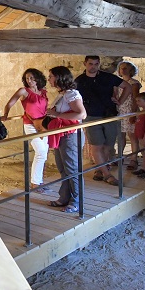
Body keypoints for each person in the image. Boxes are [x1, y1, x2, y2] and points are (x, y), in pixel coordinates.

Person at [75, 56, 131, 186]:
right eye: (90, 64)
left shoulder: (107, 77)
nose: (93, 66)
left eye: (96, 64)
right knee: (97, 145)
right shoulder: (80, 81)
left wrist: (120, 101)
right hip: (91, 116)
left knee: (108, 144)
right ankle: (107, 174)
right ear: (85, 64)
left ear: (99, 64)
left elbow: (127, 86)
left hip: (109, 114)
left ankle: (100, 169)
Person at [45, 66, 88, 213]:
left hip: (70, 135)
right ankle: (64, 197)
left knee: (72, 169)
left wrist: (56, 115)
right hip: (61, 135)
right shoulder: (63, 94)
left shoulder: (71, 94)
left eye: (51, 76)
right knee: (63, 168)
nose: (49, 79)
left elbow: (81, 114)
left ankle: (76, 201)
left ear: (59, 77)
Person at [0, 68, 50, 191]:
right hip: (30, 124)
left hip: (43, 124)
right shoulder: (24, 91)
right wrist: (5, 115)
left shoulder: (43, 92)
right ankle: (35, 183)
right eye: (27, 78)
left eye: (32, 78)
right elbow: (10, 103)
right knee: (41, 151)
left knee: (44, 153)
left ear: (38, 78)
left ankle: (39, 181)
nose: (29, 80)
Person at [116, 61, 142, 169]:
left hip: (130, 110)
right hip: (120, 111)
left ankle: (133, 159)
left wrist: (133, 113)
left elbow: (136, 99)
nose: (123, 70)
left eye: (126, 68)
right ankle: (120, 157)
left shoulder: (134, 83)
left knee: (132, 136)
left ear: (131, 70)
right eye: (122, 68)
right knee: (120, 136)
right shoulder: (118, 82)